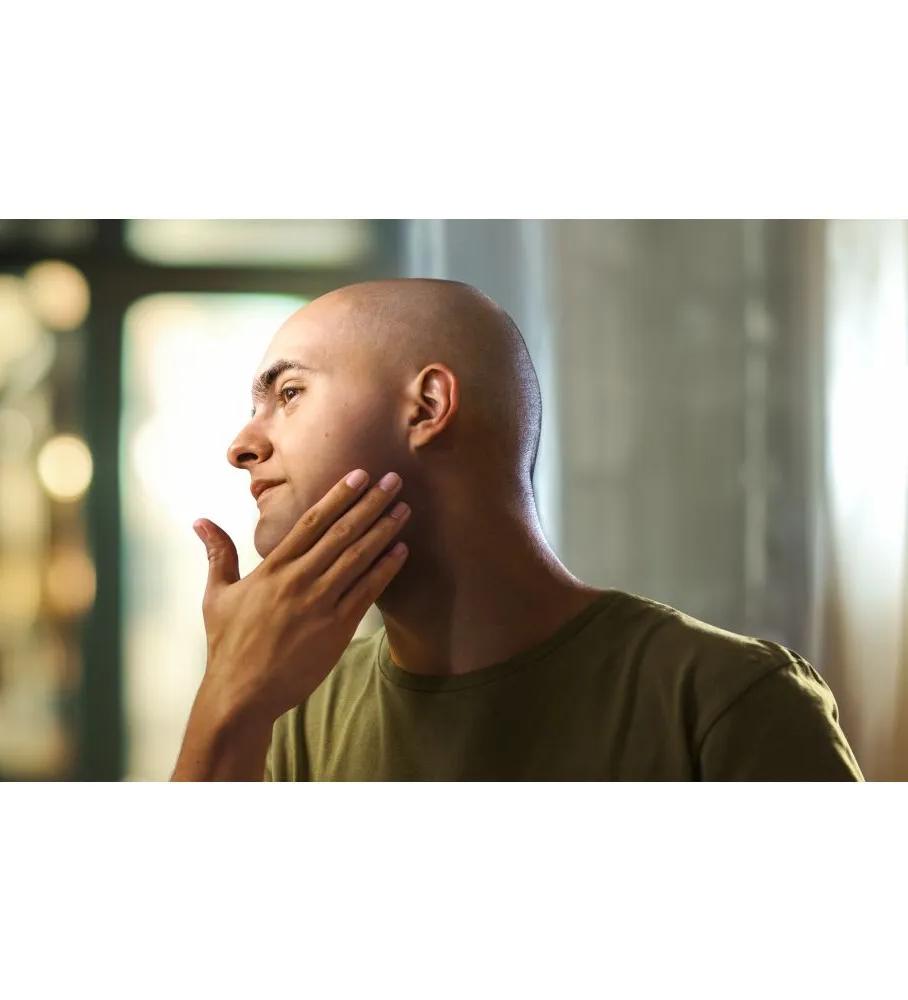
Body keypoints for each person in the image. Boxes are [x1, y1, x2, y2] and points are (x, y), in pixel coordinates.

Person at [171, 278, 863, 781]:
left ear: (428, 405)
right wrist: (227, 702)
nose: (241, 446)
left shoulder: (726, 702)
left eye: (289, 393)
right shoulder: (292, 713)